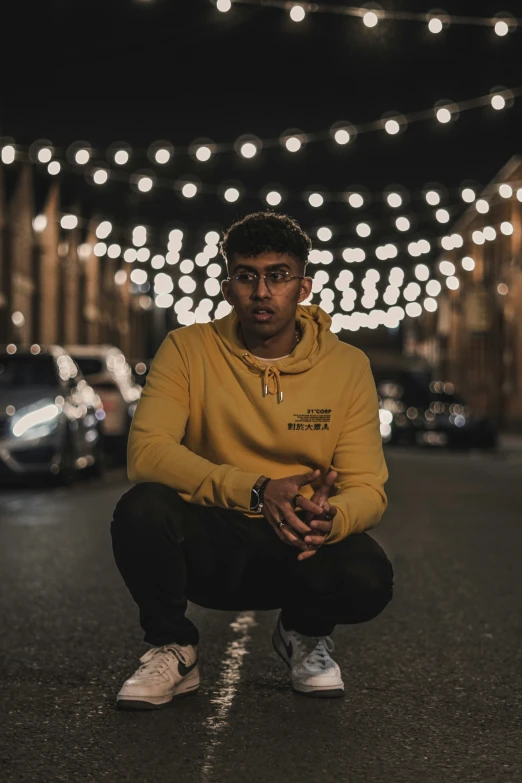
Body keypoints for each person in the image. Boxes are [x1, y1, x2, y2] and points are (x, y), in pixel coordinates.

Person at [111, 211, 393, 710]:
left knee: (368, 571)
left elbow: (369, 486)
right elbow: (146, 453)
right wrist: (258, 489)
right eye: (246, 276)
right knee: (141, 508)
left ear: (303, 287)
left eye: (277, 276)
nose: (261, 292)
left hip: (295, 543)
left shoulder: (348, 365)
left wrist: (331, 519)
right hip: (211, 538)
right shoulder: (186, 348)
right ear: (227, 287)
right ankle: (174, 647)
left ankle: (302, 633)